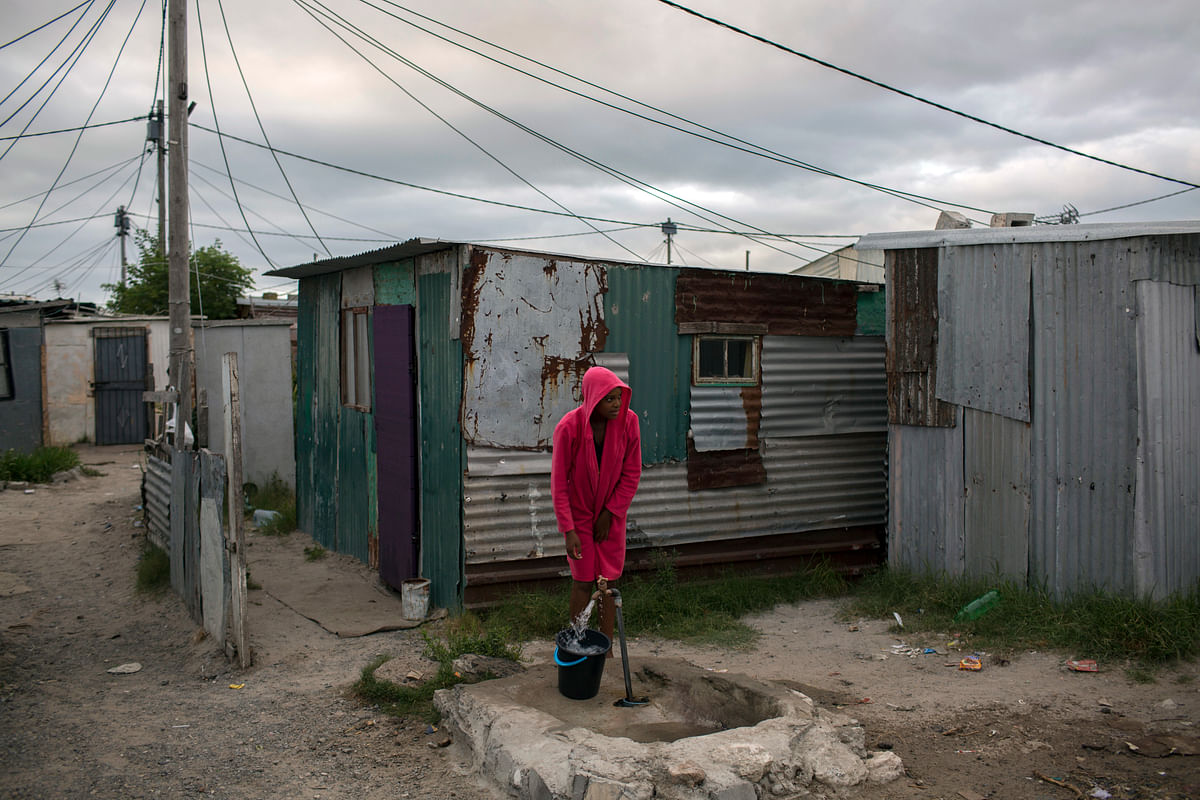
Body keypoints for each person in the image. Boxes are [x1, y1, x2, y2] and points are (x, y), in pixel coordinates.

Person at [550, 366, 642, 652]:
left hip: (611, 516)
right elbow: (559, 483)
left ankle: (606, 647)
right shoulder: (569, 427)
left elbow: (632, 473)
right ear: (593, 399)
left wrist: (610, 513)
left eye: (618, 397)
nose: (616, 404)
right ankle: (576, 643)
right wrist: (569, 529)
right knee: (582, 580)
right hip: (578, 517)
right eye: (609, 399)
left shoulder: (629, 423)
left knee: (609, 582)